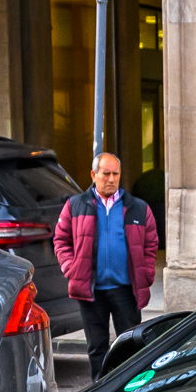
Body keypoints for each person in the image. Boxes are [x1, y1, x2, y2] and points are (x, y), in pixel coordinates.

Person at [53, 152, 160, 378]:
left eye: (116, 174)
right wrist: (71, 269)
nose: (111, 179)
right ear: (94, 175)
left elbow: (151, 243)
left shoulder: (138, 208)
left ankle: (129, 391)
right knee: (96, 349)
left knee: (130, 348)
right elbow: (61, 240)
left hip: (126, 290)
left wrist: (147, 273)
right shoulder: (75, 206)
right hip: (92, 292)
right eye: (106, 174)